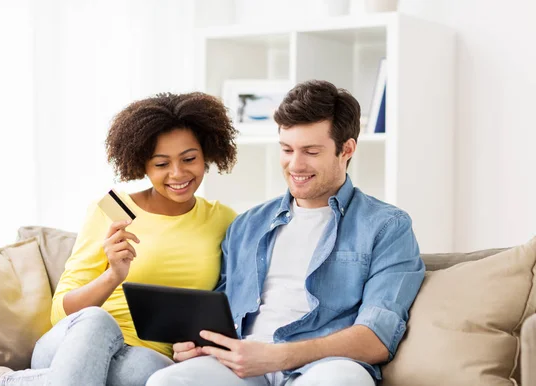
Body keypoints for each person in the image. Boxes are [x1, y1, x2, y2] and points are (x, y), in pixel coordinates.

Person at [0, 92, 239, 386]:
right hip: (72, 343)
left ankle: (0, 380)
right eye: (161, 164)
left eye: (189, 158)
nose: (177, 173)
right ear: (142, 164)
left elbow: (233, 302)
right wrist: (112, 276)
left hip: (149, 358)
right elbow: (61, 313)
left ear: (207, 154)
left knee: (142, 372)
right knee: (97, 321)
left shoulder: (224, 220)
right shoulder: (113, 207)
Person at [146, 80, 426, 386]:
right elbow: (222, 311)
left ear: (346, 149)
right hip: (241, 366)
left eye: (311, 151)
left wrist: (278, 356)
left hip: (326, 366)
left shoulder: (386, 226)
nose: (295, 164)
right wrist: (198, 344)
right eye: (287, 149)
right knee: (167, 382)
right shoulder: (247, 224)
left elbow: (378, 337)